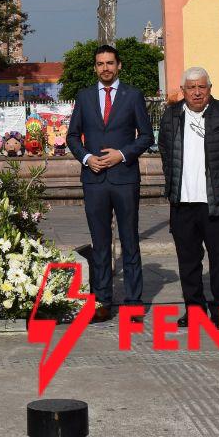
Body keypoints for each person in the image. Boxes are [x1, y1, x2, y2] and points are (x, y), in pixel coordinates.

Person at [66, 44, 155, 323]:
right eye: (100, 63)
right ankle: (103, 300)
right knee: (100, 243)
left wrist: (122, 154)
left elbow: (147, 136)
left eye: (110, 63)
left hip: (125, 178)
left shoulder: (133, 95)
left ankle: (133, 302)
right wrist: (87, 157)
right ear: (95, 67)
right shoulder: (84, 97)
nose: (105, 68)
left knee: (129, 241)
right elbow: (72, 136)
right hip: (94, 180)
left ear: (119, 66)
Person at [158, 67, 219, 326]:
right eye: (191, 87)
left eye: (202, 87)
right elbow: (166, 152)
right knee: (188, 262)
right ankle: (195, 309)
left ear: (210, 88)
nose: (197, 92)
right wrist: (173, 185)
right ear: (183, 90)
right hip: (183, 203)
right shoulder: (171, 116)